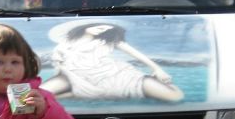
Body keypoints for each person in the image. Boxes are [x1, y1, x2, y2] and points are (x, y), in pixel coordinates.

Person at [41, 22, 184, 102]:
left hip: (113, 75)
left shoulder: (108, 40)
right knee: (25, 101)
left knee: (176, 96)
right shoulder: (66, 43)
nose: (103, 28)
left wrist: (158, 69)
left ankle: (80, 93)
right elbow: (58, 64)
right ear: (83, 25)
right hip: (73, 76)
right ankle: (78, 93)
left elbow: (136, 54)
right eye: (99, 25)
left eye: (106, 27)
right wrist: (59, 77)